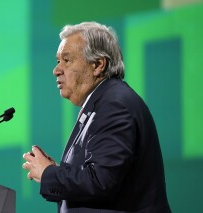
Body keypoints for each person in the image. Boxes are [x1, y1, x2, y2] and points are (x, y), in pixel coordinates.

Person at [22, 21, 171, 213]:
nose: (56, 70)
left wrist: (49, 174)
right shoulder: (103, 102)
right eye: (58, 61)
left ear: (98, 65)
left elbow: (101, 180)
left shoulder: (114, 105)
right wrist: (57, 171)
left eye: (67, 60)